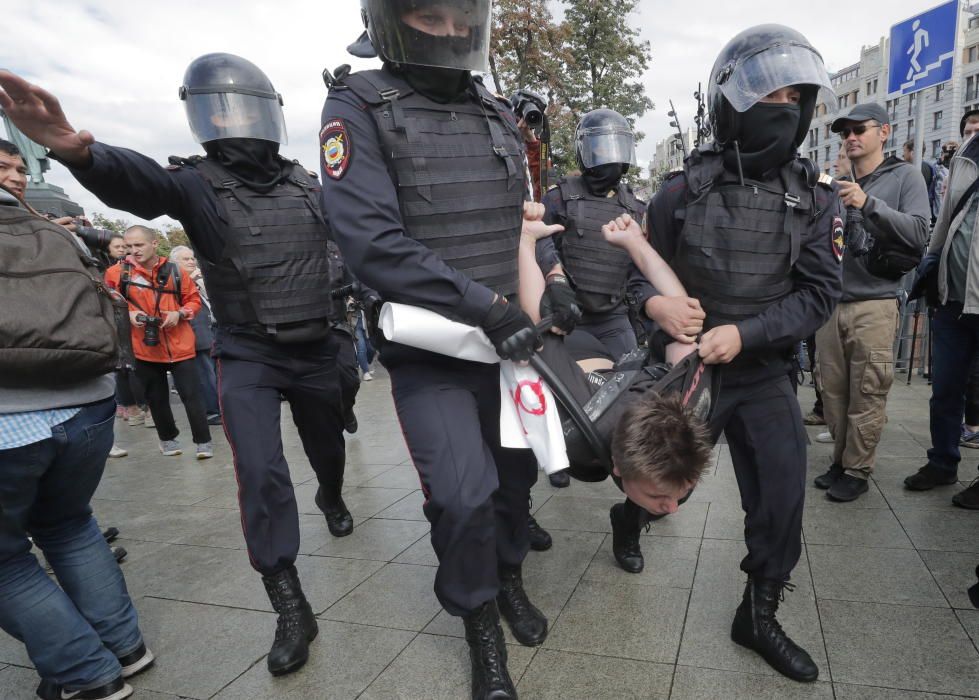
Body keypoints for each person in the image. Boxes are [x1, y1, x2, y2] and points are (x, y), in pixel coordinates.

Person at [0, 53, 349, 677]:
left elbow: (344, 249)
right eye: (218, 109)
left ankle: (331, 490)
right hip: (249, 352)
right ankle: (291, 605)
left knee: (327, 446)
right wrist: (81, 153)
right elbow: (143, 182)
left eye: (242, 106)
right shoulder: (195, 182)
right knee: (262, 474)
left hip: (320, 345)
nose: (233, 120)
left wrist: (351, 313)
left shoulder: (307, 184)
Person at [320, 3, 577, 697]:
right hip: (433, 348)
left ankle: (510, 578)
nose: (446, 29)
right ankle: (479, 622)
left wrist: (552, 280)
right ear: (390, 22)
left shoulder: (494, 111)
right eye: (425, 15)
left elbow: (522, 221)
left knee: (515, 486)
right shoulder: (357, 104)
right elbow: (371, 241)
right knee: (462, 497)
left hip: (511, 341)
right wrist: (487, 309)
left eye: (456, 13)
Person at [629, 25, 843, 682]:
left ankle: (759, 612)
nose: (782, 106)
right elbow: (637, 277)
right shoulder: (678, 192)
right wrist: (655, 306)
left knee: (780, 498)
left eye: (793, 95)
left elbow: (817, 295)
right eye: (767, 93)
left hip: (761, 373)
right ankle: (626, 519)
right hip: (687, 372)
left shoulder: (812, 198)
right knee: (656, 486)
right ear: (732, 101)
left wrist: (745, 334)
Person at [0, 182, 154, 700]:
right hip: (87, 403)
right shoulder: (51, 229)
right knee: (69, 525)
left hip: (7, 420)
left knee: (5, 560)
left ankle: (88, 672)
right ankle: (126, 647)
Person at [815, 104, 929, 502]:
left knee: (868, 391)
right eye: (844, 131)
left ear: (884, 131)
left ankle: (857, 470)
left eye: (858, 129)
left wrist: (868, 204)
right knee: (832, 392)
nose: (850, 137)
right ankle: (839, 459)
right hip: (830, 304)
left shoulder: (905, 176)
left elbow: (919, 232)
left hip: (875, 303)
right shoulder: (835, 182)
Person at [903, 132, 979, 509]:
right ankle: (942, 462)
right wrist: (931, 271)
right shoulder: (969, 151)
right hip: (952, 299)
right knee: (946, 388)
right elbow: (947, 216)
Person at [102, 226, 213, 459]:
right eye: (129, 246)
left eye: (139, 245)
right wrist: (128, 314)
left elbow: (193, 300)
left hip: (180, 343)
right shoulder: (115, 273)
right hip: (143, 346)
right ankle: (168, 439)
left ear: (153, 243)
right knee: (156, 396)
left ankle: (203, 441)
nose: (133, 251)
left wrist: (180, 313)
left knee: (192, 395)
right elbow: (108, 305)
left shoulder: (174, 270)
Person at [169, 245, 222, 425]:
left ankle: (219, 407)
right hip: (194, 333)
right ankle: (212, 411)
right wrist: (190, 281)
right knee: (205, 375)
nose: (191, 261)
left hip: (210, 330)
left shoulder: (198, 279)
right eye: (186, 259)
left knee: (214, 373)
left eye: (192, 258)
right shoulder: (172, 280)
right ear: (174, 263)